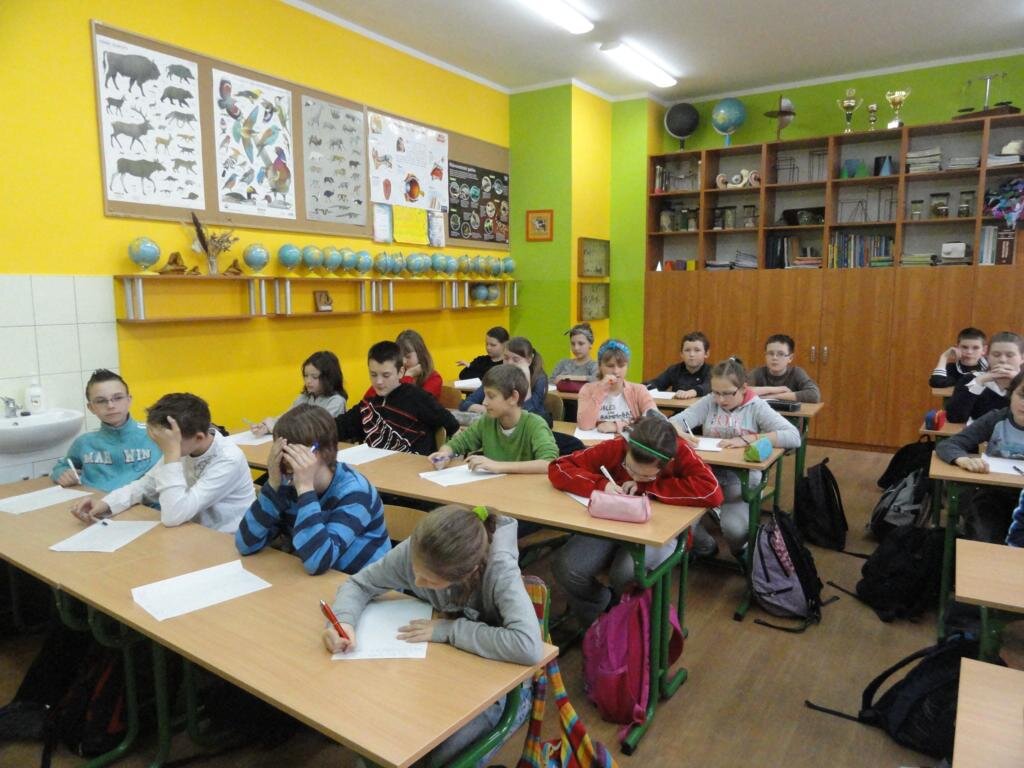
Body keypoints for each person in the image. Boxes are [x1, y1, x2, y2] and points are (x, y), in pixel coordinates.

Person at [323, 505, 542, 766]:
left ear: (468, 573)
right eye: (416, 571)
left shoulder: (499, 568)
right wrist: (343, 621)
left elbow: (528, 646)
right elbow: (359, 584)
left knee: (441, 759)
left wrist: (449, 630)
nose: (416, 582)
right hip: (443, 671)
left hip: (502, 689)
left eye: (430, 581)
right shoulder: (420, 550)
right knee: (385, 749)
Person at [548, 416, 722, 629]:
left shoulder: (680, 451)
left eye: (646, 475)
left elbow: (712, 492)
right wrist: (601, 485)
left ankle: (634, 628)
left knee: (626, 573)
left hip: (657, 529)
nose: (635, 477)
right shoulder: (618, 446)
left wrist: (648, 488)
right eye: (629, 468)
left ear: (666, 464)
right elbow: (559, 467)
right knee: (568, 567)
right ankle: (603, 615)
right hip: (612, 522)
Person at [236, 404, 391, 574]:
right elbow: (245, 543)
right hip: (316, 580)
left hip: (362, 582)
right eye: (282, 450)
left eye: (295, 453)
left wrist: (305, 489)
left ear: (321, 451)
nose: (286, 461)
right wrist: (272, 484)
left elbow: (318, 561)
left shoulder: (355, 492)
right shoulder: (287, 485)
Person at [670, 359, 801, 557]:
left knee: (735, 531)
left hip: (741, 480)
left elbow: (793, 436)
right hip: (707, 476)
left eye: (727, 393)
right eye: (716, 392)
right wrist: (680, 432)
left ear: (743, 388)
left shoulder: (756, 406)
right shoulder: (709, 402)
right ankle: (706, 547)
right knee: (680, 524)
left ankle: (742, 553)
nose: (720, 399)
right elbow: (671, 423)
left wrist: (749, 439)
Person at [69, 393, 254, 533]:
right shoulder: (183, 444)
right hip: (190, 530)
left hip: (227, 539)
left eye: (165, 443)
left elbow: (173, 516)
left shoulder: (228, 459)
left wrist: (172, 453)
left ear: (198, 437)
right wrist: (106, 504)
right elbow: (145, 485)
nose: (162, 447)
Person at [937, 370, 1024, 542]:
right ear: (1011, 394)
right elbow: (949, 444)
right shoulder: (996, 418)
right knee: (983, 533)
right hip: (993, 494)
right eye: (1021, 395)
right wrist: (963, 459)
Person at [428, 364, 557, 475]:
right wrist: (444, 454)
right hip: (493, 489)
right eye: (485, 396)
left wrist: (498, 466)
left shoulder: (535, 424)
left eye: (491, 396)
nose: (484, 402)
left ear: (513, 397)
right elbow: (457, 443)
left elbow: (548, 463)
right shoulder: (487, 421)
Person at [336, 341, 458, 455]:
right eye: (373, 375)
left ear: (400, 372)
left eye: (386, 375)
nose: (378, 381)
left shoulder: (417, 397)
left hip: (413, 467)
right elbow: (338, 427)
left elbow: (452, 424)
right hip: (378, 467)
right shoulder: (368, 405)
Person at [49, 369, 160, 492]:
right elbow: (61, 467)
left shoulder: (156, 435)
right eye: (101, 401)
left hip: (142, 502)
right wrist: (62, 474)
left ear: (129, 400)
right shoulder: (84, 442)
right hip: (94, 501)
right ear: (91, 408)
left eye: (118, 398)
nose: (110, 406)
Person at [251, 351, 347, 435]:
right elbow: (286, 418)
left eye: (314, 377)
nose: (308, 381)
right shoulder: (304, 397)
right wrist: (266, 426)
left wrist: (276, 428)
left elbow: (316, 429)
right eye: (305, 376)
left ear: (328, 378)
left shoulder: (336, 401)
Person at [460, 336, 550, 423]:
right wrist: (489, 410)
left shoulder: (539, 378)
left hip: (532, 425)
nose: (509, 363)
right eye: (506, 358)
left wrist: (526, 379)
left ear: (529, 360)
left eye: (516, 360)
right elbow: (464, 404)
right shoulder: (498, 375)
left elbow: (527, 411)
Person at [577, 339, 659, 433]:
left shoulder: (639, 390)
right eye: (610, 366)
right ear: (600, 366)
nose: (616, 371)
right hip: (596, 440)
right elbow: (584, 425)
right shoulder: (587, 389)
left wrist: (618, 426)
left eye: (621, 366)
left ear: (627, 366)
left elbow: (655, 420)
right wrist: (600, 390)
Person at [946, 331, 1024, 423]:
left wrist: (1019, 381)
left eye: (1010, 355)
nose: (1002, 360)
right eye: (996, 355)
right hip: (979, 431)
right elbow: (955, 418)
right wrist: (979, 382)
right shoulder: (971, 379)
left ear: (1022, 358)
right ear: (988, 356)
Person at [746, 334, 821, 403]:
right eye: (770, 353)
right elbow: (742, 391)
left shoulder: (796, 373)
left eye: (781, 354)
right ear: (765, 356)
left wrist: (772, 396)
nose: (774, 358)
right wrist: (778, 389)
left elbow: (814, 395)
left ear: (790, 358)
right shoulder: (758, 373)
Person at [645, 330, 712, 399]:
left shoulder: (713, 371)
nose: (691, 354)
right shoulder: (674, 370)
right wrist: (642, 388)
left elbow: (708, 386)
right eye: (687, 350)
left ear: (706, 354)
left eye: (697, 350)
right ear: (681, 354)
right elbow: (657, 384)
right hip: (679, 406)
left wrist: (692, 392)